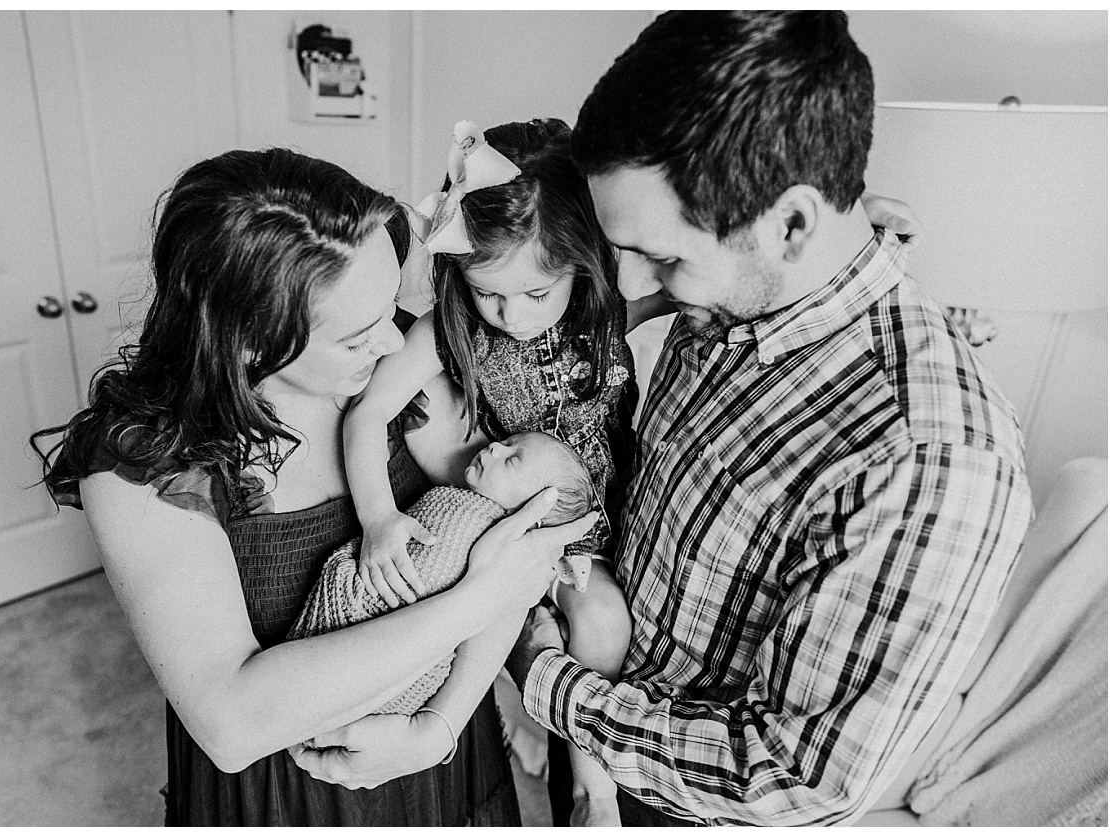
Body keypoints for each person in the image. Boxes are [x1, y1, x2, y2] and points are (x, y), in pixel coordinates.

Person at [511, 11, 1033, 826]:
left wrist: (547, 678)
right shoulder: (740, 289)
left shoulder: (930, 459)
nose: (630, 286)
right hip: (594, 721)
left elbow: (794, 779)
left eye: (664, 257)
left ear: (790, 223)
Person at [37, 147, 597, 826]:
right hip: (289, 792)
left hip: (440, 753)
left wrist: (441, 727)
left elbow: (519, 539)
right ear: (249, 339)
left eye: (391, 309)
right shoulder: (144, 462)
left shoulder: (397, 384)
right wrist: (475, 598)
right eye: (358, 336)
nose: (395, 344)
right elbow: (232, 721)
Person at [343, 118, 636, 825]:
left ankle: (587, 778)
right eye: (488, 293)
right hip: (524, 521)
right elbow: (366, 414)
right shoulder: (449, 332)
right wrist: (379, 517)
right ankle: (591, 790)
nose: (512, 315)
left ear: (580, 261)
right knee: (588, 620)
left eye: (536, 293)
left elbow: (693, 286)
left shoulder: (604, 309)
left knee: (598, 629)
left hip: (609, 513)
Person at [289, 431, 600, 717]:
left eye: (512, 461)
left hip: (377, 653)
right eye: (508, 442)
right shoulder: (460, 504)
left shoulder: (476, 528)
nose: (495, 447)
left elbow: (425, 581)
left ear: (532, 514)